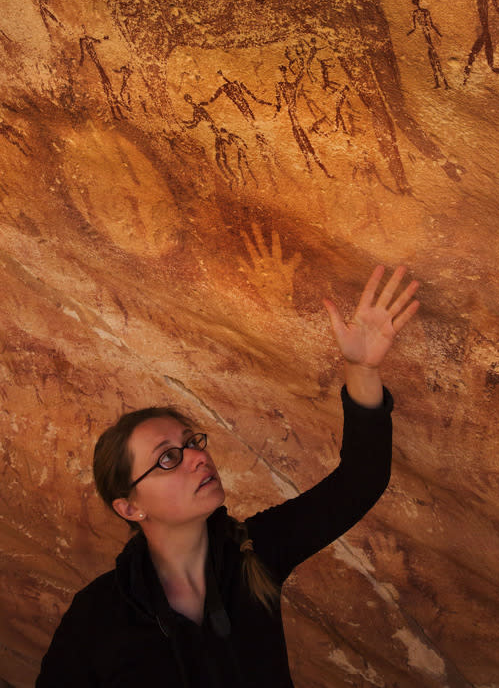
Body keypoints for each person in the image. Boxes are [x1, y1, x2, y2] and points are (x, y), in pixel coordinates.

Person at [36, 264, 420, 687]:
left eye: (193, 443)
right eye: (167, 459)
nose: (198, 459)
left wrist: (362, 369)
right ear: (130, 506)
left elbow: (360, 480)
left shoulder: (254, 553)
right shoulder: (97, 614)